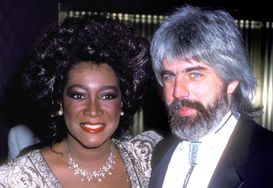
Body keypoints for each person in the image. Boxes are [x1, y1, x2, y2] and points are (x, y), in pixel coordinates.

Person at [0, 14, 162, 187]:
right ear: (60, 102)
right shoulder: (16, 180)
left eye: (107, 96)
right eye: (78, 95)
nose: (93, 110)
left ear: (122, 102)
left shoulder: (149, 159)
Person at [149, 4, 273, 188]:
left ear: (232, 80)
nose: (177, 91)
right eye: (170, 76)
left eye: (195, 74)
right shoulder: (160, 153)